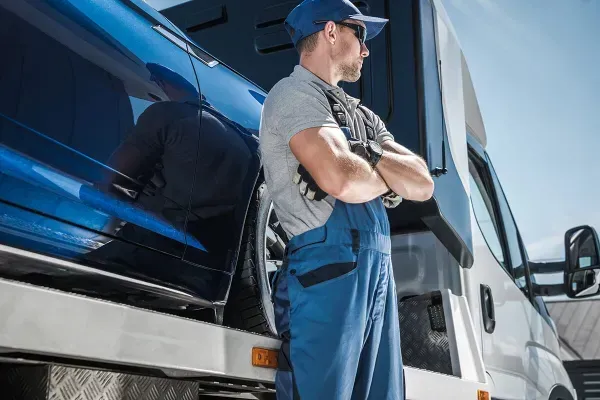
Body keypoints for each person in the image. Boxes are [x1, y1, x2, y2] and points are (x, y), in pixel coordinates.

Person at [259, 0, 435, 398]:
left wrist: (367, 152)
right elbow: (338, 177)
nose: (367, 49)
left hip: (377, 272)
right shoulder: (292, 95)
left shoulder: (366, 118)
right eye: (361, 33)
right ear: (331, 31)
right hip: (325, 269)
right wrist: (388, 179)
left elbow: (423, 184)